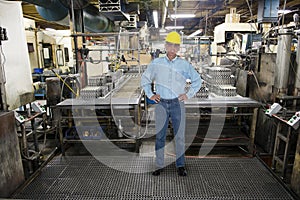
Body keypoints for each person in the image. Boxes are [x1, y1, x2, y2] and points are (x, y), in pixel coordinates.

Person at [141, 31, 202, 176]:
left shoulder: (184, 65)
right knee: (160, 136)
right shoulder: (156, 63)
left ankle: (180, 165)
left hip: (177, 104)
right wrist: (150, 94)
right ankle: (159, 165)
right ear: (166, 45)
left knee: (179, 136)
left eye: (176, 45)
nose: (172, 48)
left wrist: (188, 94)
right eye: (170, 45)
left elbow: (197, 80)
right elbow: (145, 79)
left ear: (179, 47)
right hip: (161, 103)